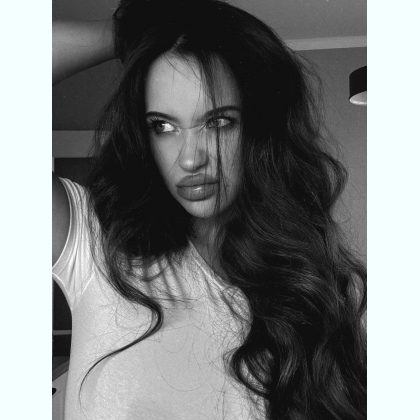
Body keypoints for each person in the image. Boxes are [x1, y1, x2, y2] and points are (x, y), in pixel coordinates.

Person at [52, 0, 367, 419]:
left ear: (260, 128)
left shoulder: (325, 291)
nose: (189, 159)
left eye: (218, 122)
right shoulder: (92, 243)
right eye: (163, 126)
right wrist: (130, 30)